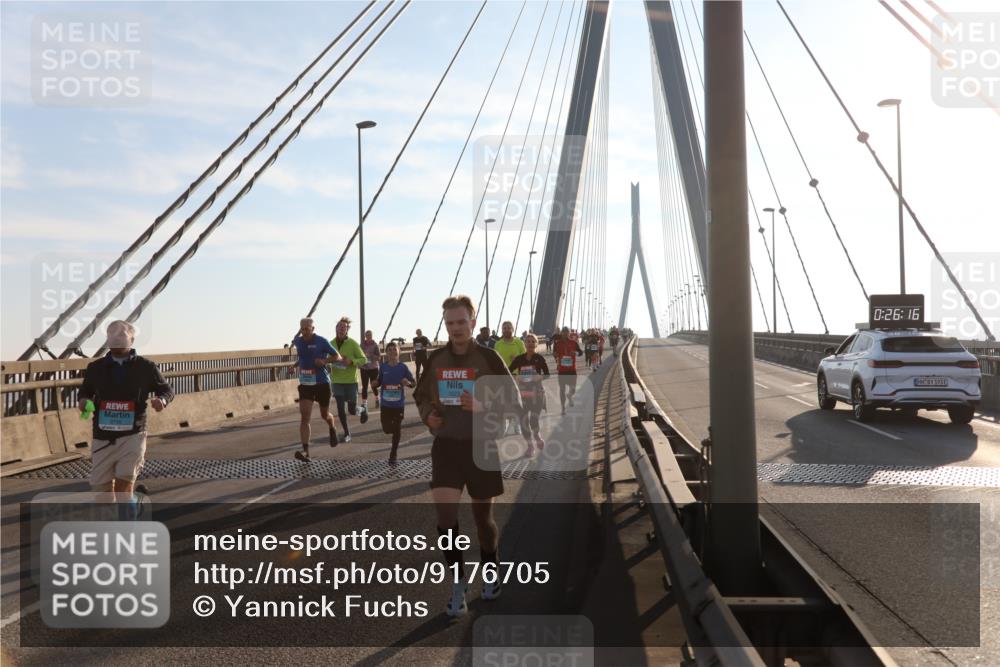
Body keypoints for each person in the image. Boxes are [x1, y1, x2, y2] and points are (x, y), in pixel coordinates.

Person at [414, 295, 521, 617]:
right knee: (445, 520)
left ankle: (491, 571)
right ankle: (458, 584)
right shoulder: (436, 360)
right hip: (446, 447)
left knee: (482, 520)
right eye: (450, 323)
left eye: (461, 322)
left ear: (472, 322)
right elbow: (420, 396)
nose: (456, 328)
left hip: (481, 445)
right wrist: (427, 416)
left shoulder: (489, 359)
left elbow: (514, 402)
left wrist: (483, 406)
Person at [78, 320, 174, 501]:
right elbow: (85, 392)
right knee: (102, 494)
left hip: (133, 434)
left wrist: (161, 400)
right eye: (112, 335)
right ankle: (135, 504)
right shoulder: (95, 368)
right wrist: (83, 401)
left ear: (132, 339)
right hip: (102, 436)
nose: (116, 338)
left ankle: (124, 522)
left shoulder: (146, 367)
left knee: (124, 483)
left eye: (121, 335)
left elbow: (166, 390)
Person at [291, 317, 341, 461]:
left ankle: (332, 427)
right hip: (306, 384)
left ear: (313, 328)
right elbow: (303, 358)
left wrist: (324, 361)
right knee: (305, 417)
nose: (304, 331)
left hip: (322, 384)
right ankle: (306, 451)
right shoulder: (299, 342)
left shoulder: (321, 341)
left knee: (324, 415)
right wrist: (294, 366)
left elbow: (337, 356)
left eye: (307, 328)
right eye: (302, 328)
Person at [373, 341, 416, 465]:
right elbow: (380, 381)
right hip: (386, 405)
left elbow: (413, 383)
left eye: (394, 349)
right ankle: (393, 434)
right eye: (390, 349)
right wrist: (375, 383)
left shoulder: (403, 367)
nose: (392, 351)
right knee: (386, 429)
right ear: (386, 353)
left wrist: (407, 383)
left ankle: (393, 454)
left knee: (397, 429)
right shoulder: (383, 367)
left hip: (398, 405)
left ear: (399, 352)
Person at [508, 333, 549, 457]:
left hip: (537, 394)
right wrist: (516, 377)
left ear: (536, 344)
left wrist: (539, 376)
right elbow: (508, 371)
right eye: (528, 341)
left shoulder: (540, 358)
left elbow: (547, 374)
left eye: (533, 341)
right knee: (524, 421)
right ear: (524, 344)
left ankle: (537, 436)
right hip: (523, 394)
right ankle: (530, 446)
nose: (530, 343)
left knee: (533, 420)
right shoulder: (519, 359)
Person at [330, 316, 370, 443]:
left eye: (344, 327)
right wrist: (328, 362)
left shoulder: (353, 343)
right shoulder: (330, 344)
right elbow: (326, 358)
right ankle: (347, 434)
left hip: (351, 381)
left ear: (347, 330)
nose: (342, 329)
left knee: (352, 410)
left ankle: (363, 409)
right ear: (336, 329)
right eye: (339, 327)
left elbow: (364, 359)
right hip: (337, 381)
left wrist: (351, 361)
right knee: (341, 410)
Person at [493, 321, 526, 435]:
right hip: (501, 376)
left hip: (515, 375)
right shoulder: (498, 344)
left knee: (515, 400)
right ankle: (504, 425)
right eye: (504, 328)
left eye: (508, 328)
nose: (506, 330)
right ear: (502, 330)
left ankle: (517, 425)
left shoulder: (519, 342)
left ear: (513, 329)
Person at [552, 326, 583, 415]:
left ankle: (569, 396)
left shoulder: (573, 343)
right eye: (563, 332)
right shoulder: (557, 343)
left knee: (572, 389)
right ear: (561, 333)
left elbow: (581, 353)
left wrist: (575, 353)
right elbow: (554, 354)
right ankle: (563, 408)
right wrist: (555, 357)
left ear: (569, 333)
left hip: (572, 370)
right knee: (562, 389)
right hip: (562, 370)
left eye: (567, 332)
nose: (565, 334)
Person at [360, 330, 381, 409]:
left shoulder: (375, 345)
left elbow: (379, 357)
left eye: (370, 335)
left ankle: (377, 399)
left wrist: (371, 355)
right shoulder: (362, 345)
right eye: (367, 335)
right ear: (365, 336)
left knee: (373, 386)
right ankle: (364, 404)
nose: (368, 336)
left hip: (373, 368)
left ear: (372, 336)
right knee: (364, 386)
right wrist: (360, 361)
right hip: (364, 368)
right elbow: (359, 355)